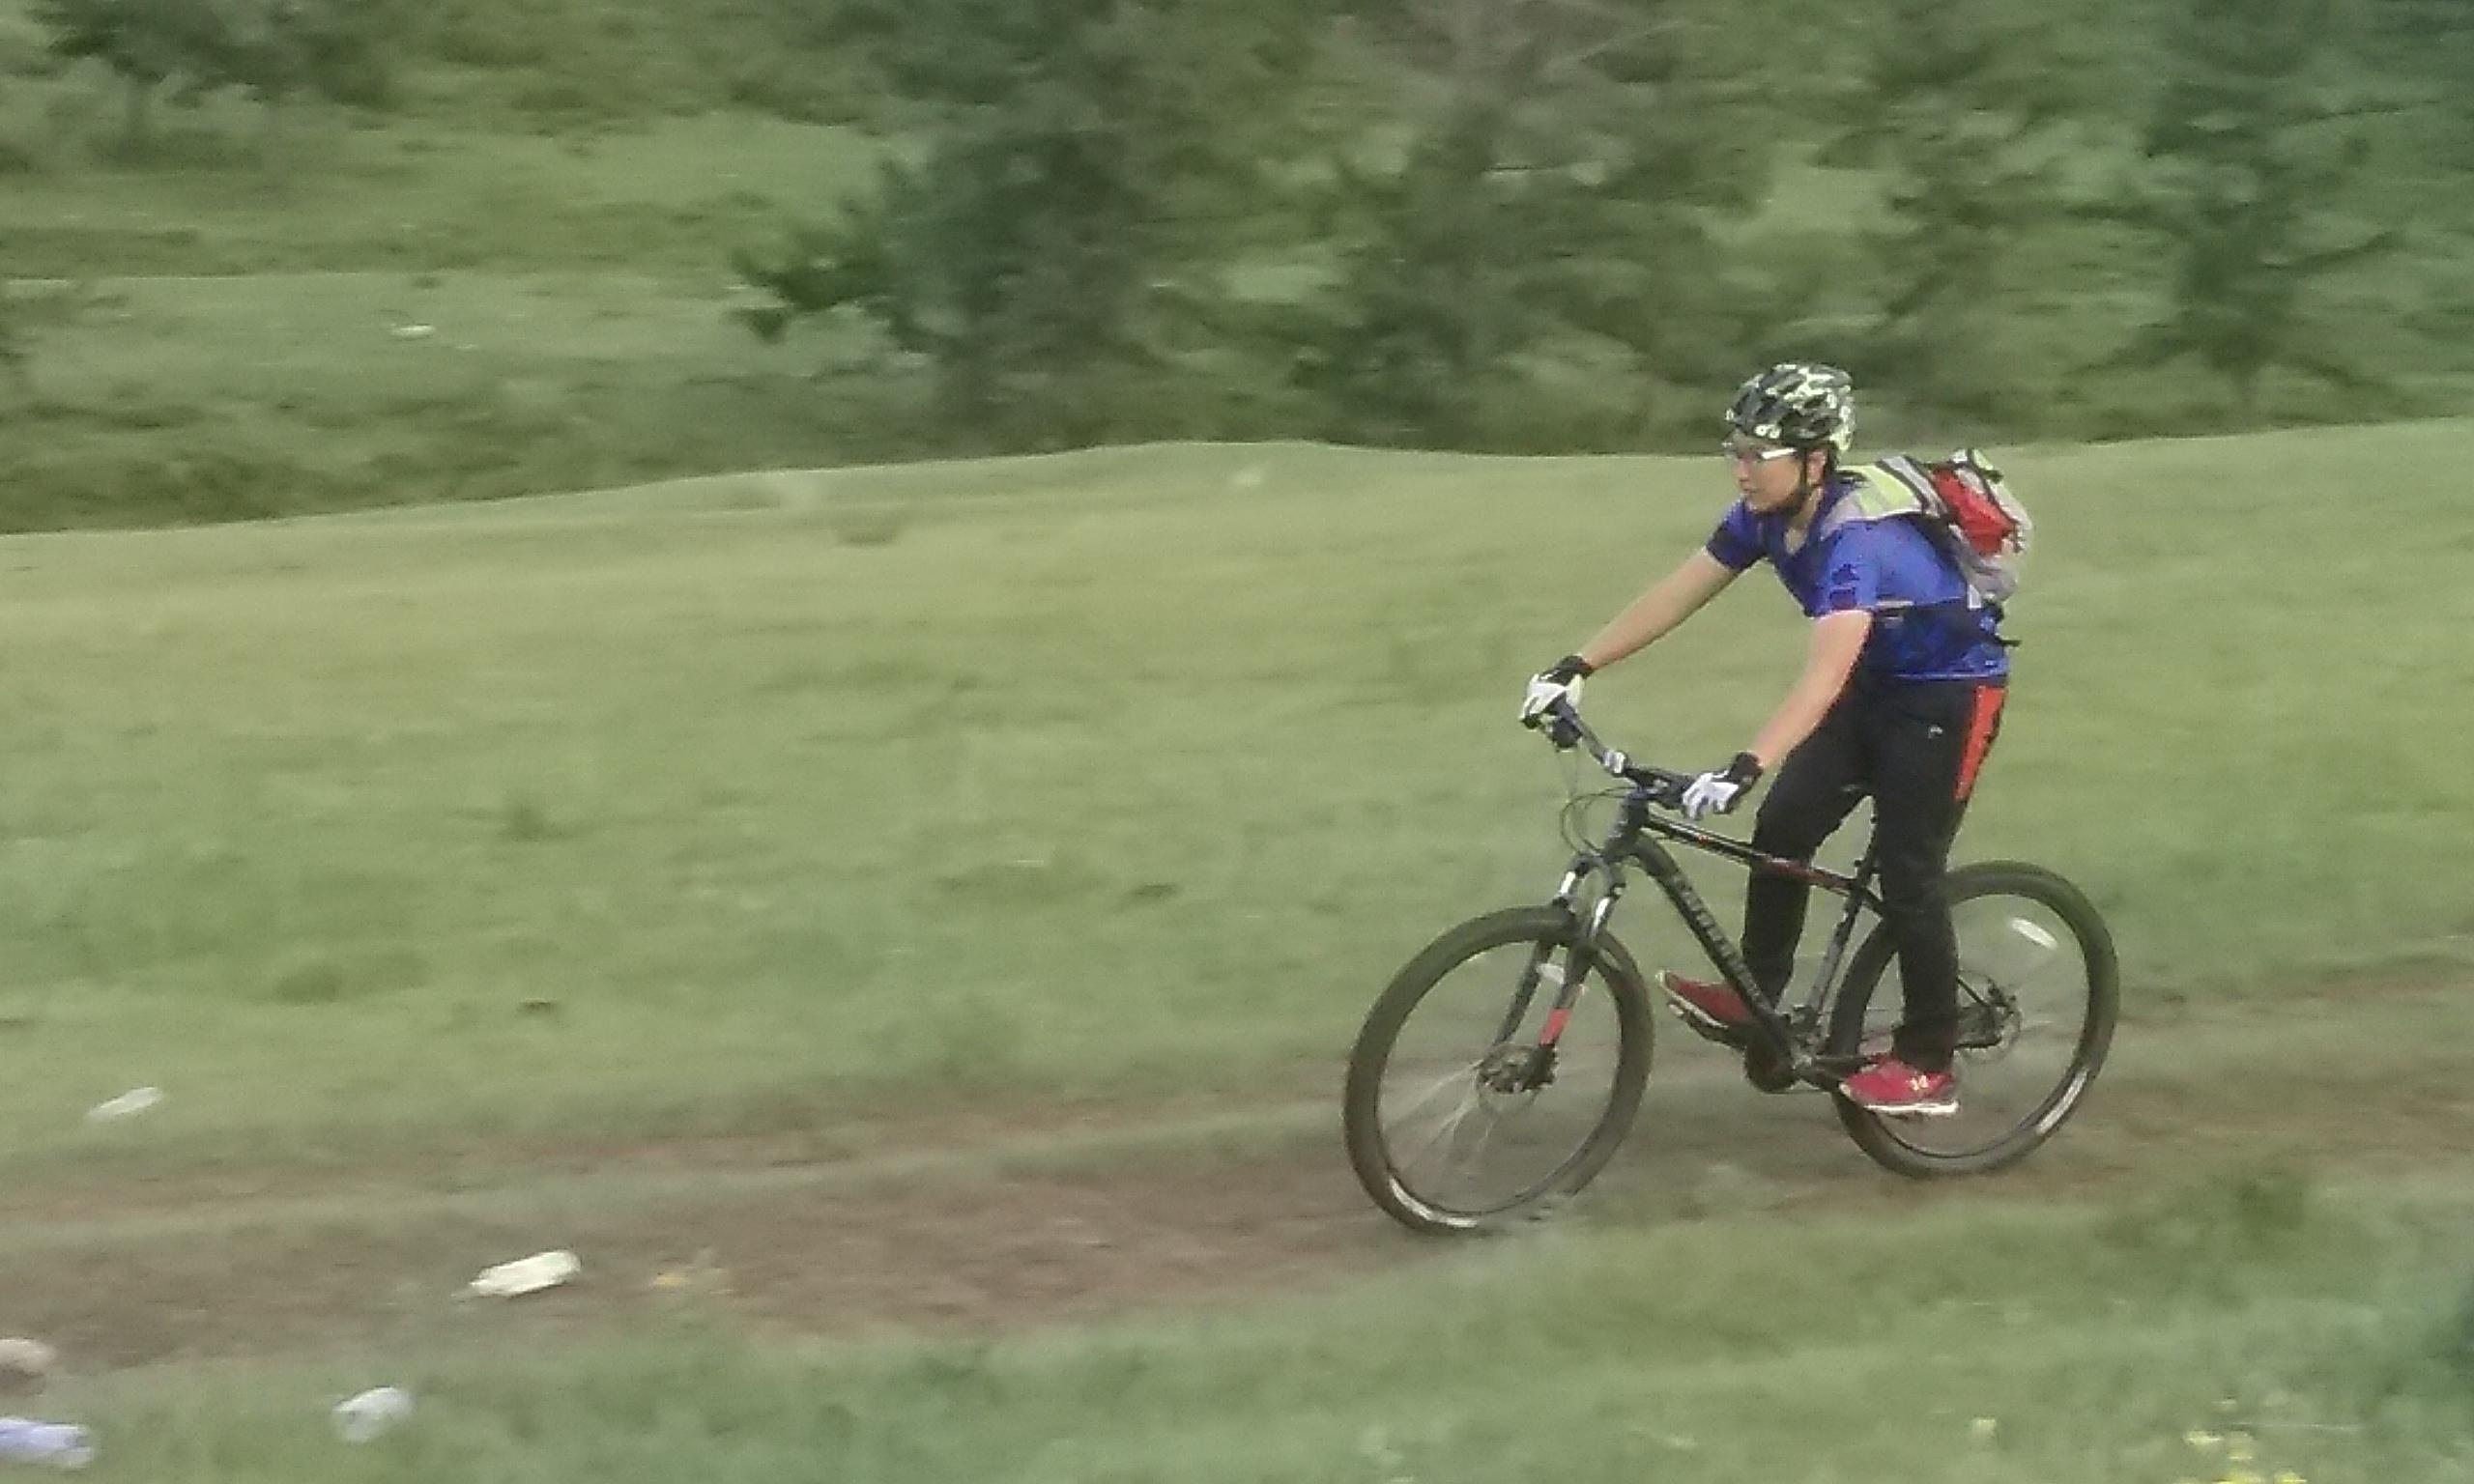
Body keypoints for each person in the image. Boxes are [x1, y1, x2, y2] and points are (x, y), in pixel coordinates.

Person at [1517, 363, 2010, 1117]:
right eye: (1737, 450)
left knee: (1909, 876)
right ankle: (1761, 994)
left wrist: (1747, 763)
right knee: (1783, 829)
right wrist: (1578, 664)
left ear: (1815, 461)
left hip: (1949, 694)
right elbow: (1680, 590)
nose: (1741, 469)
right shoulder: (1763, 518)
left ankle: (1929, 1061)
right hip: (1873, 688)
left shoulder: (1857, 542)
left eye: (1759, 455)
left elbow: (1823, 676)